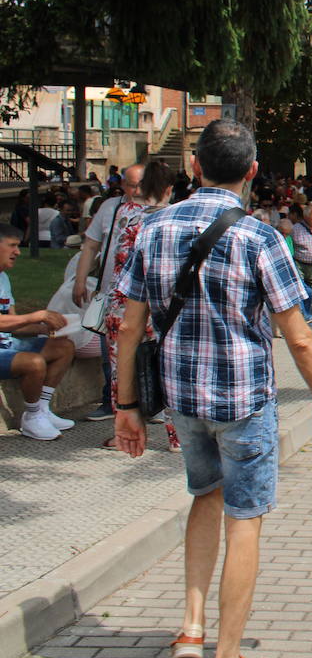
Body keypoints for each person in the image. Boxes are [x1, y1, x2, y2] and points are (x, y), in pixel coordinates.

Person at [113, 119, 312, 658]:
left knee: (204, 496)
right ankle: (228, 652)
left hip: (182, 399)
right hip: (244, 401)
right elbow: (300, 338)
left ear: (195, 167)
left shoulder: (155, 227)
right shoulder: (258, 235)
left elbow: (128, 324)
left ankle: (190, 630)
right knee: (245, 518)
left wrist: (125, 407)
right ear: (253, 172)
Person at [99, 161, 179, 452]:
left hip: (122, 302)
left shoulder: (125, 213)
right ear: (170, 188)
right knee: (167, 367)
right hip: (161, 304)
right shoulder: (175, 218)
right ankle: (176, 435)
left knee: (123, 368)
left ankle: (124, 432)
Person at [73, 162, 145, 421]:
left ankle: (148, 401)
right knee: (111, 355)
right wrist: (80, 280)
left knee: (145, 351)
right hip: (112, 293)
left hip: (144, 297)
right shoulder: (110, 208)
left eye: (140, 184)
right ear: (122, 184)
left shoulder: (159, 209)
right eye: (131, 184)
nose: (135, 190)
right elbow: (91, 246)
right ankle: (110, 401)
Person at [0, 223, 77, 439]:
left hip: (7, 344)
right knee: (33, 362)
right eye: (12, 246)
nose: (17, 252)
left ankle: (42, 409)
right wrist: (37, 315)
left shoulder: (3, 278)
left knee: (64, 347)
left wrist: (46, 327)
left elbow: (14, 322)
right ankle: (32, 417)